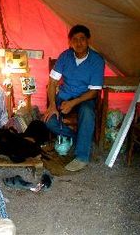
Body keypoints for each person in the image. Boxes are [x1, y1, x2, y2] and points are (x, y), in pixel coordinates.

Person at [44, 24, 105, 172]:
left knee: (88, 113)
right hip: (65, 95)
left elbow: (94, 92)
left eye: (82, 39)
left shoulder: (97, 61)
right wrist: (52, 105)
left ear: (88, 40)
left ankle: (82, 156)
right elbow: (52, 82)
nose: (78, 43)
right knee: (48, 121)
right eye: (75, 40)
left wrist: (73, 103)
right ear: (70, 42)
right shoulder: (65, 56)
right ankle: (78, 138)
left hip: (85, 97)